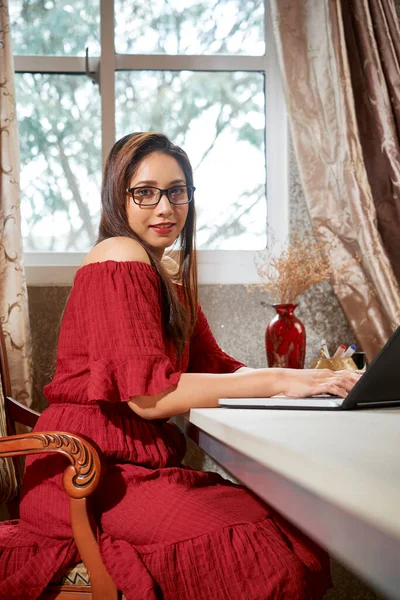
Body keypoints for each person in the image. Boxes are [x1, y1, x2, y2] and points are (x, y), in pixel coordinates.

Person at [0, 132, 359, 599]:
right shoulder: (118, 256)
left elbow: (219, 367)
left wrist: (314, 379)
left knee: (294, 526)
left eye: (177, 191)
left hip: (133, 469)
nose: (164, 207)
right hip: (86, 477)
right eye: (145, 193)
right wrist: (281, 379)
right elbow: (148, 398)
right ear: (118, 197)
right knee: (265, 550)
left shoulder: (167, 274)